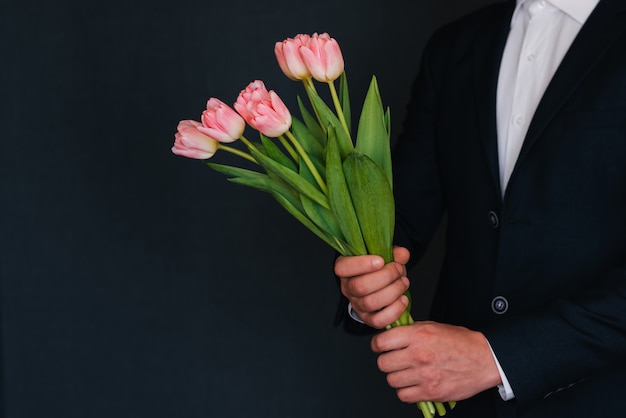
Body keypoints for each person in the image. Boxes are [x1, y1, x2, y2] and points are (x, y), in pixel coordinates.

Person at [334, 0, 626, 416]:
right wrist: (365, 287)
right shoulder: (456, 46)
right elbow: (399, 218)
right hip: (459, 404)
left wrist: (500, 357)